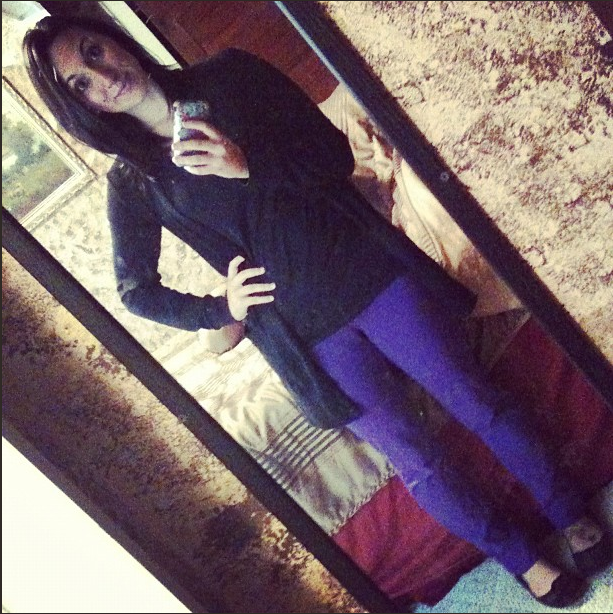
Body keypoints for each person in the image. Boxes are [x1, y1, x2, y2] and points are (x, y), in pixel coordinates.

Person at [23, 15, 610, 608]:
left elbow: (332, 155)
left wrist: (246, 162)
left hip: (368, 273)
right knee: (417, 461)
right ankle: (521, 559)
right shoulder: (133, 183)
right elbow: (135, 291)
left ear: (114, 39)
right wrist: (217, 307)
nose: (101, 77)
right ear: (81, 108)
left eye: (94, 52)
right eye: (80, 85)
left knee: (477, 400)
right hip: (301, 337)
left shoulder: (229, 75)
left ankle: (569, 512)